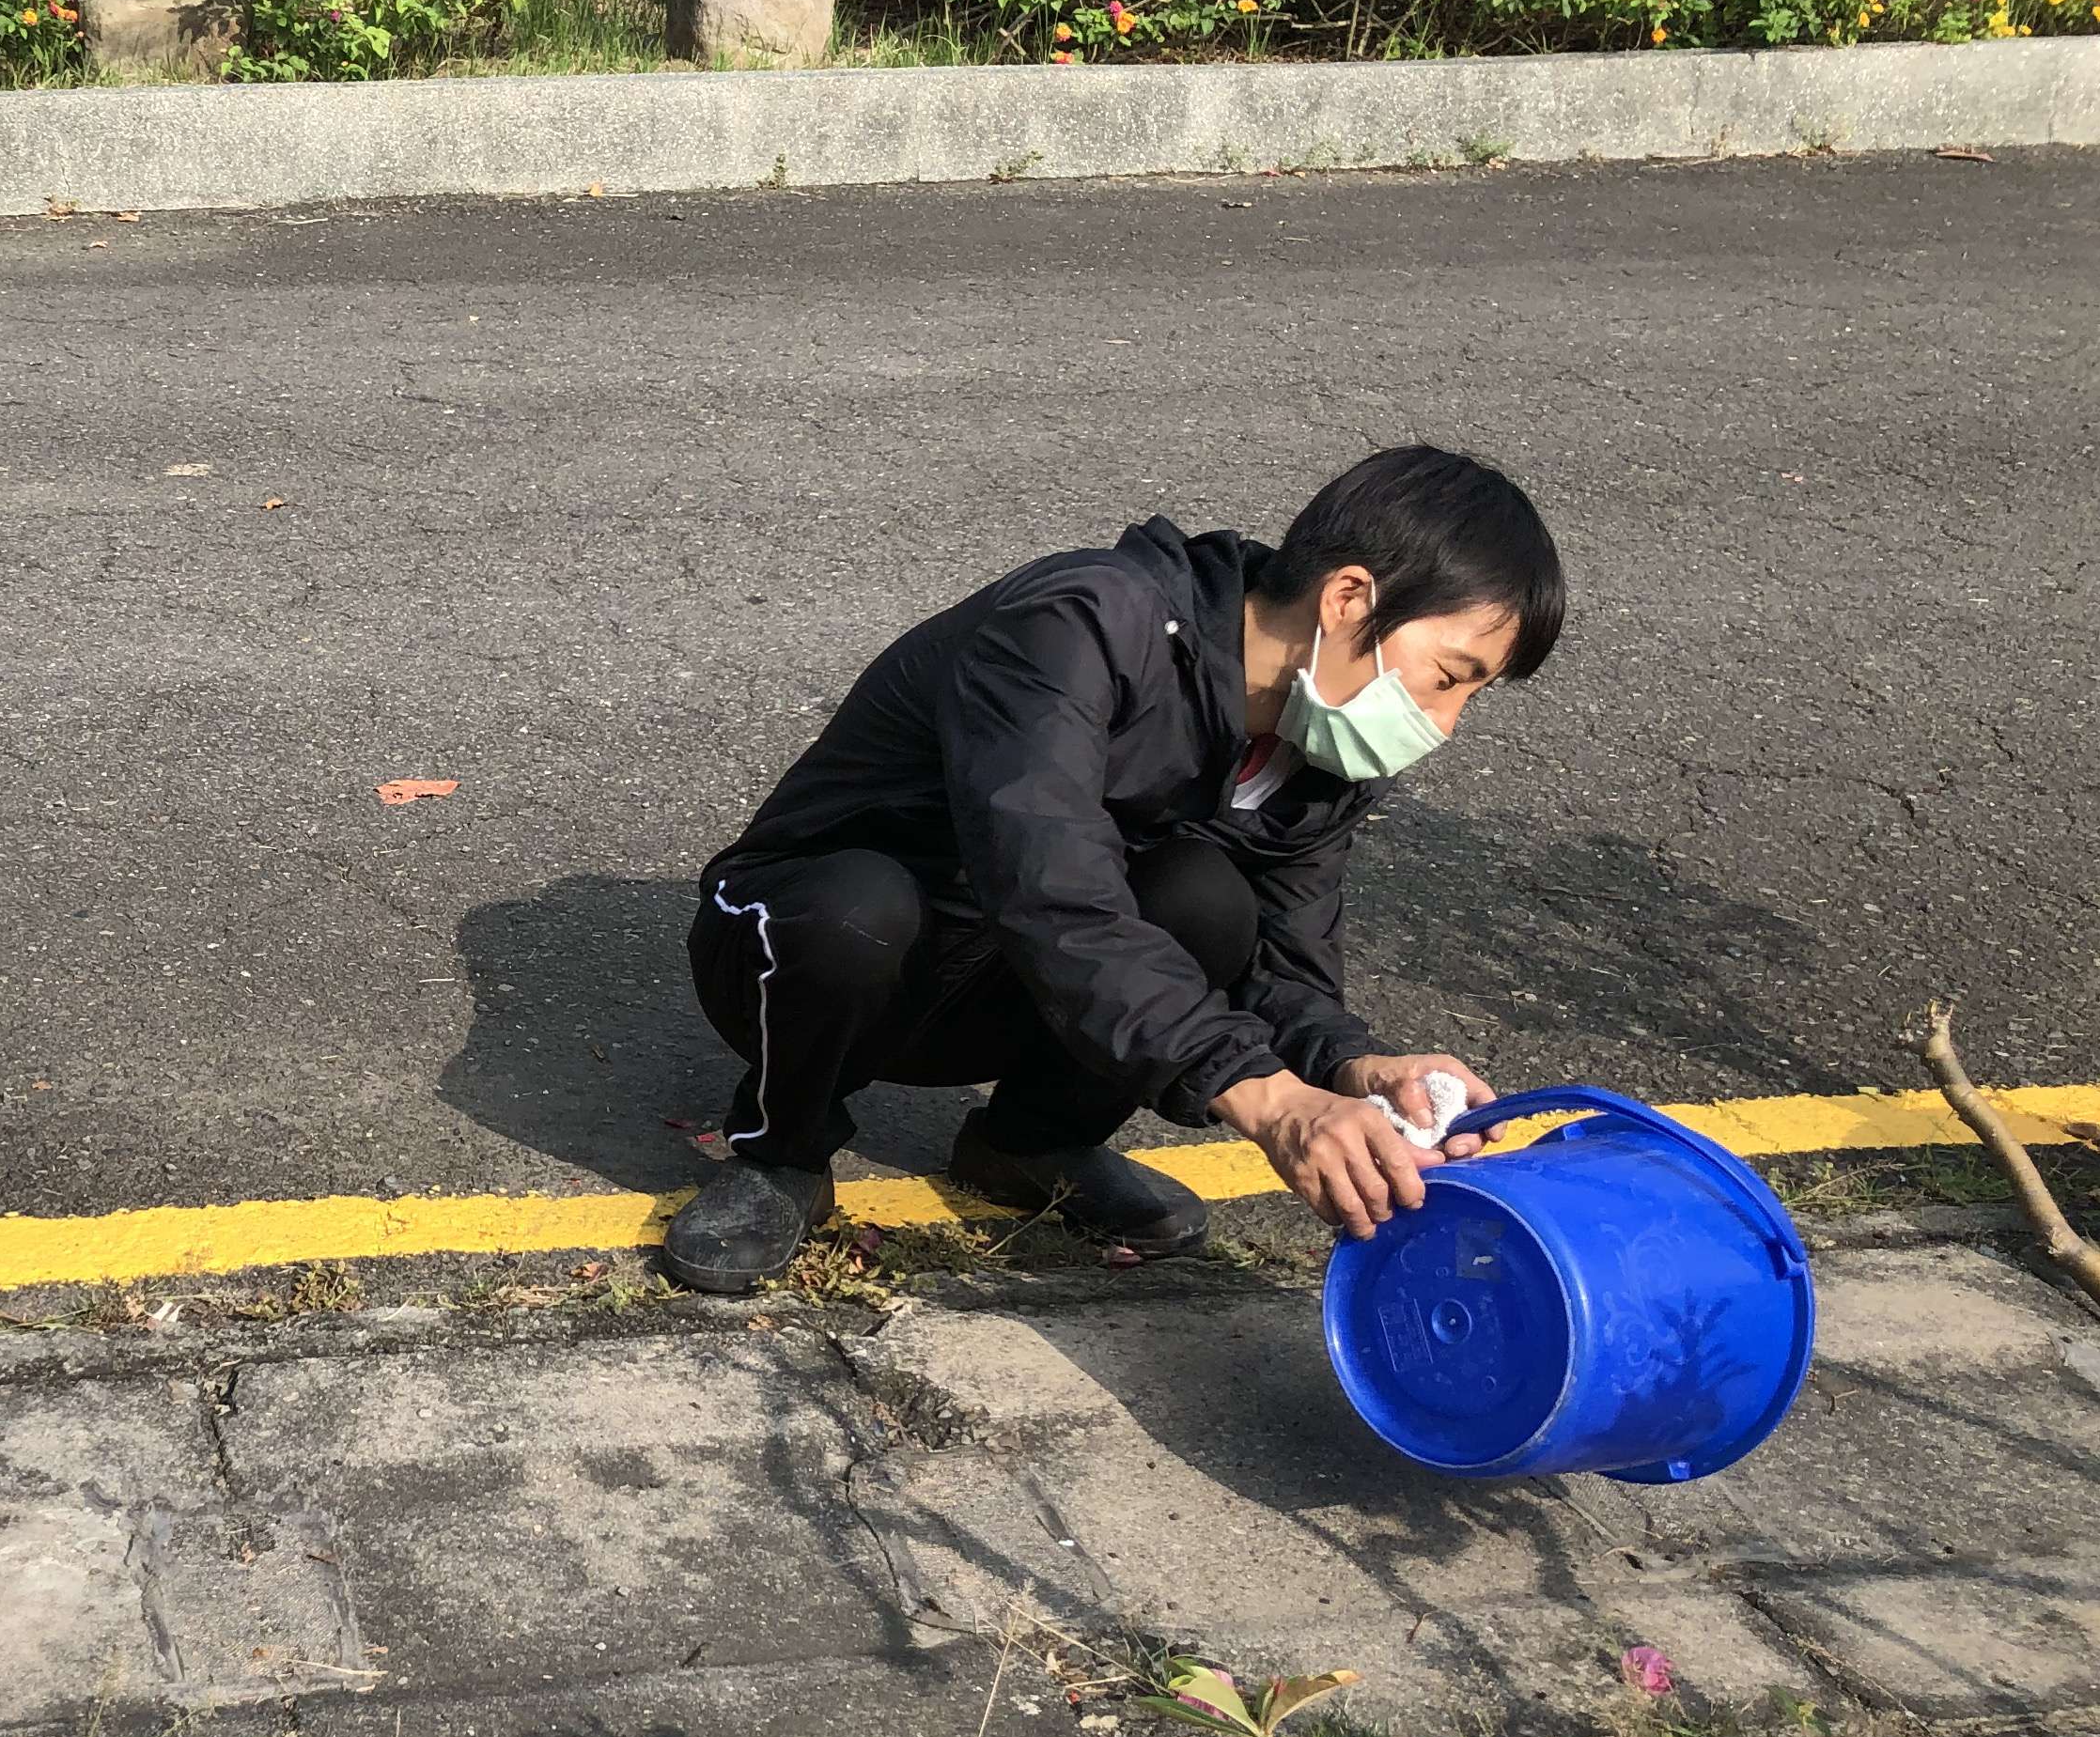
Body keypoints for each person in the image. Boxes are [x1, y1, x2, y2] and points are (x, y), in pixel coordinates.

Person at [663, 446, 1563, 1293]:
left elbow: (1282, 962)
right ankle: (782, 1155)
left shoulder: (1318, 749)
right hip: (807, 964)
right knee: (857, 904)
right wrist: (1267, 1099)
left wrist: (1351, 1066)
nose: (1443, 725)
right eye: (1451, 676)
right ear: (1349, 601)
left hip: (1014, 988)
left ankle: (1030, 1144)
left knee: (1205, 900)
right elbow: (1051, 890)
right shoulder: (1082, 623)